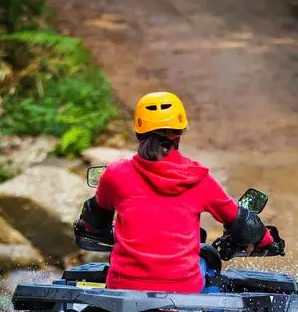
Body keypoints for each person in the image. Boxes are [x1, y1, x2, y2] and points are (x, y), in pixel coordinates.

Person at [76, 91, 275, 293]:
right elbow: (242, 223)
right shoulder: (198, 178)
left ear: (138, 133)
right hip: (182, 293)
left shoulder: (116, 174)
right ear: (179, 134)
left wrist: (88, 227)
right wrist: (266, 240)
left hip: (122, 288)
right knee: (210, 265)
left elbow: (94, 218)